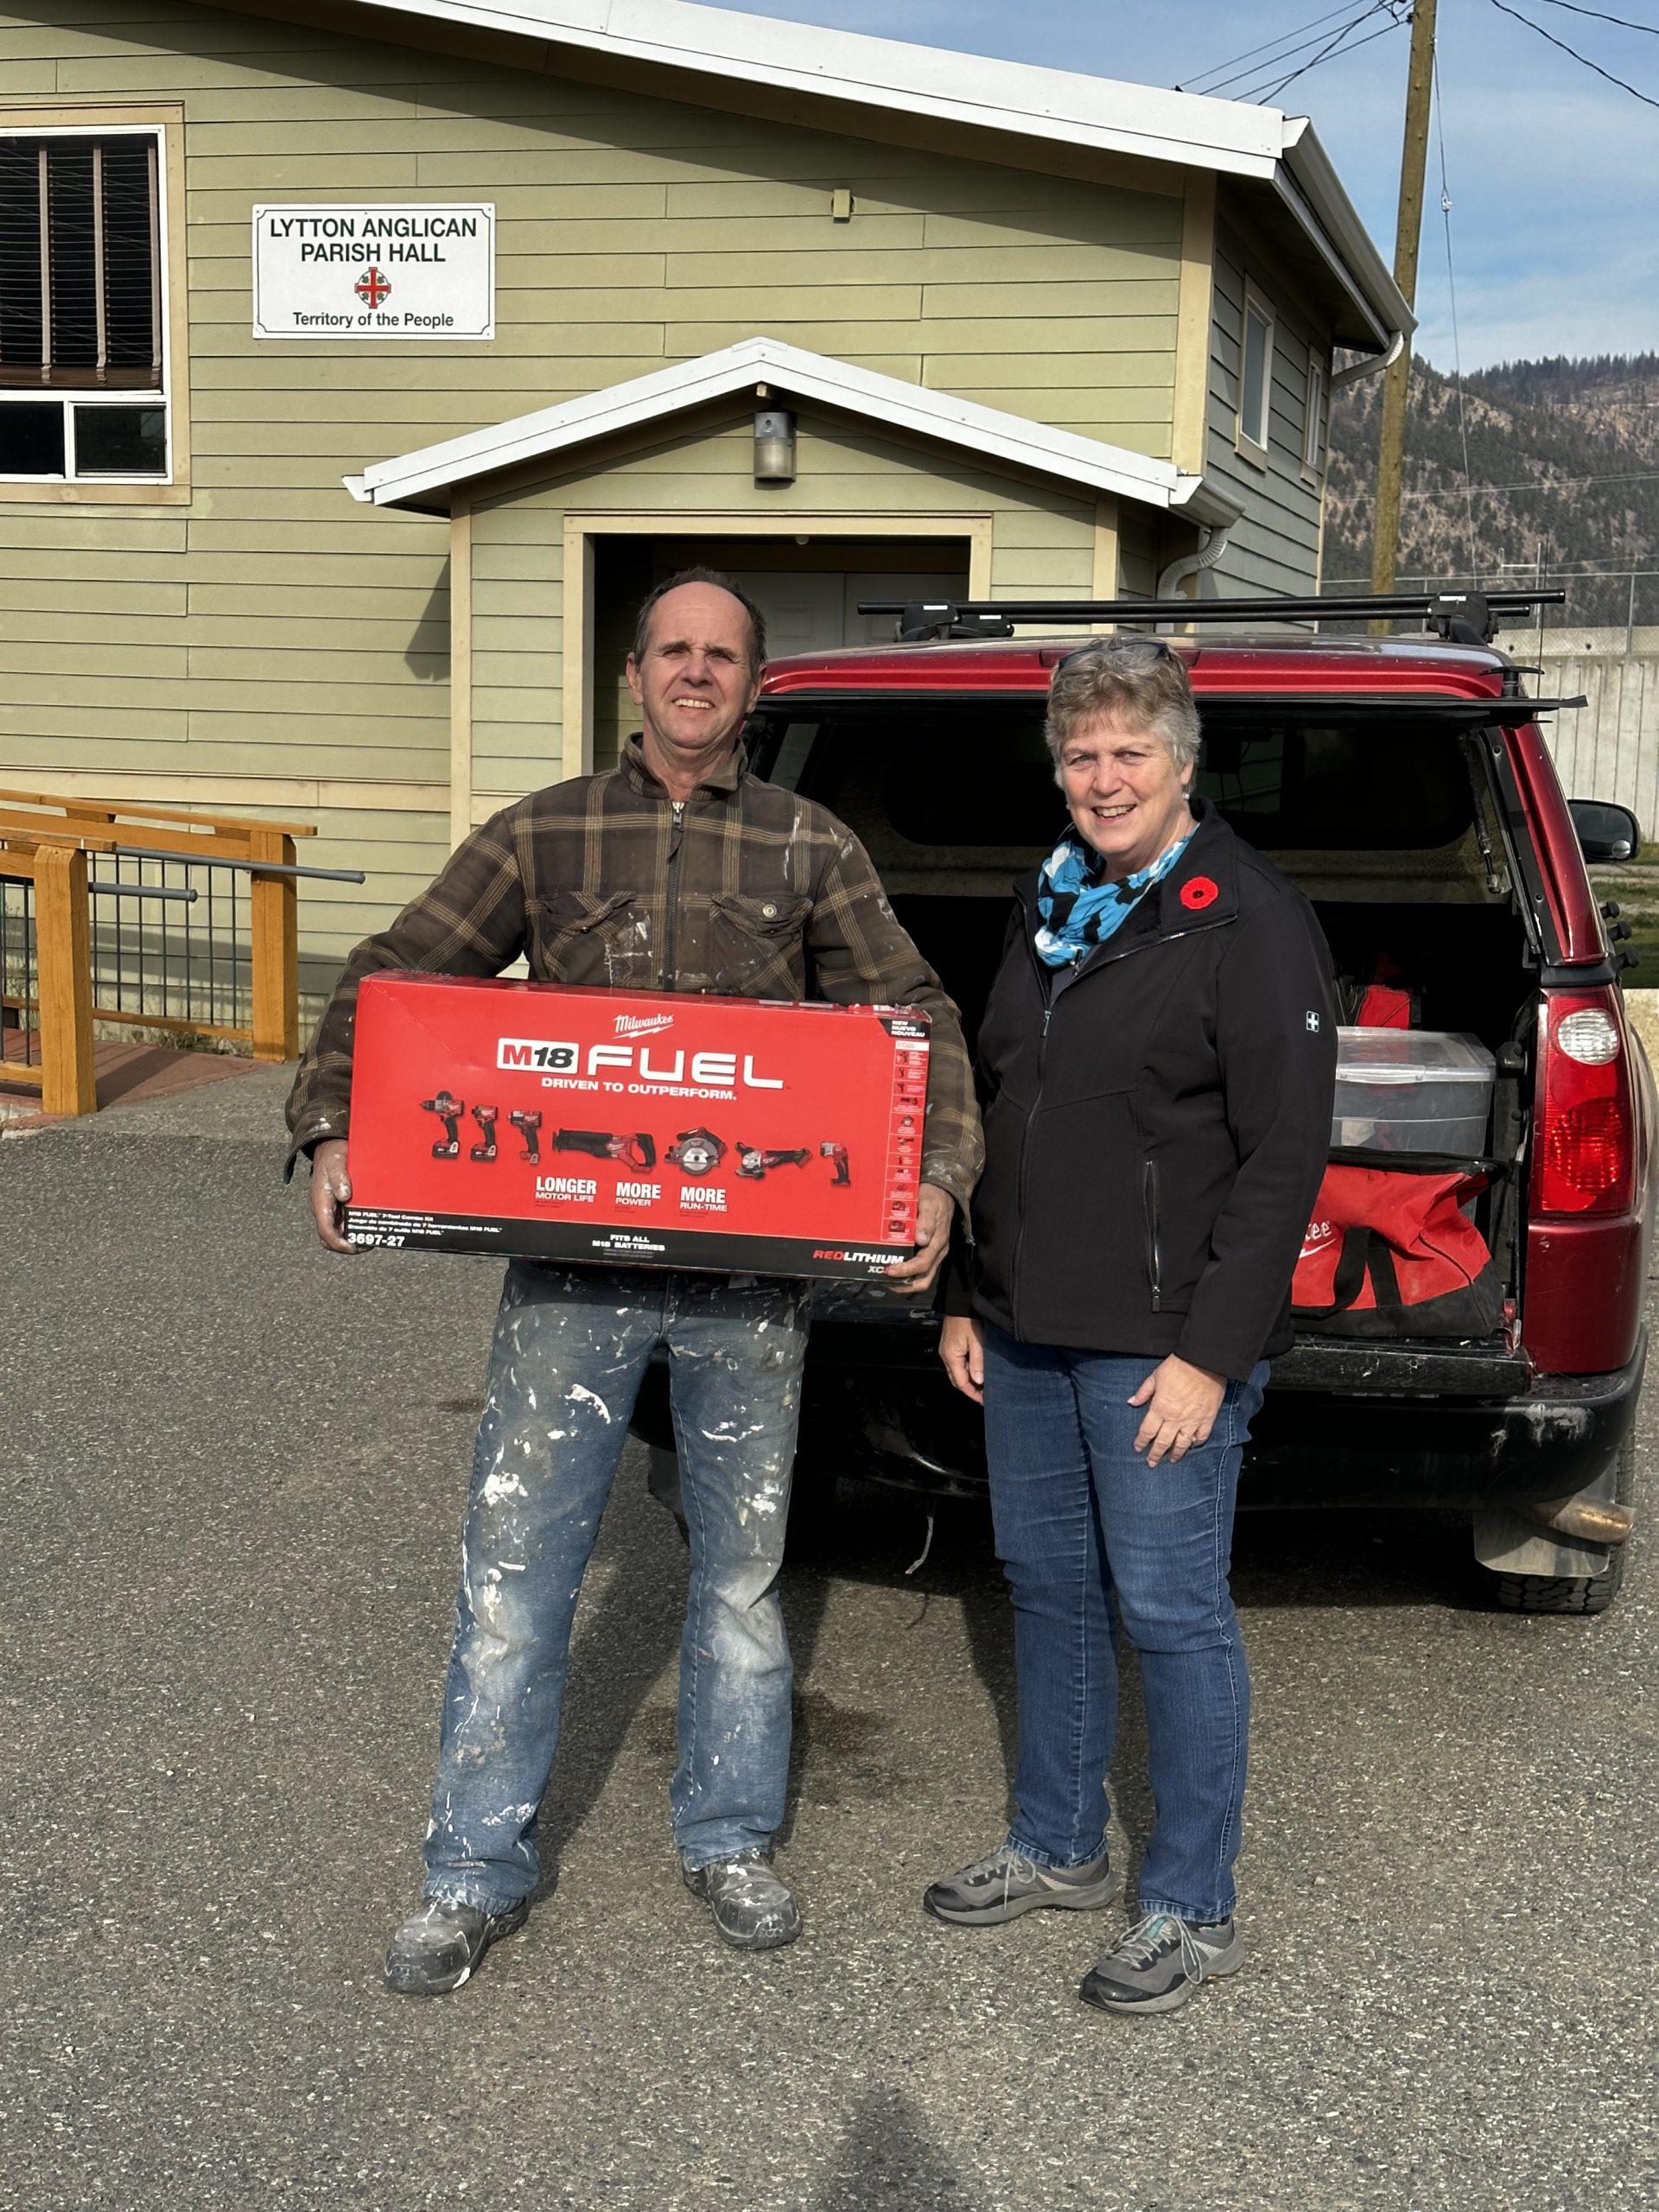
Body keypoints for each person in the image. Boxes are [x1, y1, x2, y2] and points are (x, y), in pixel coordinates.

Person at [286, 568, 981, 1994]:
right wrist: (335, 1121)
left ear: (753, 682)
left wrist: (936, 1173)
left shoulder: (809, 845)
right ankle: (470, 1872)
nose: (696, 674)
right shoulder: (544, 832)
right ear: (634, 673)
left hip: (747, 1291)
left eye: (723, 656)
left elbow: (912, 1013)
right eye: (674, 650)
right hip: (568, 1282)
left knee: (736, 1580)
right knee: (517, 1580)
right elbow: (400, 970)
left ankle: (728, 1840)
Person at [927, 634, 1336, 2018]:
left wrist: (1211, 1356)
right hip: (1028, 1329)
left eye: (1129, 753)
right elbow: (994, 1101)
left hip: (1159, 1347)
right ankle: (1057, 1846)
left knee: (1171, 1611)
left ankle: (1191, 1902)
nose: (1103, 779)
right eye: (1081, 754)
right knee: (1047, 1590)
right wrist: (965, 1297)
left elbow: (1285, 1161)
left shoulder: (1247, 919)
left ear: (1182, 765)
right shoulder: (1048, 907)